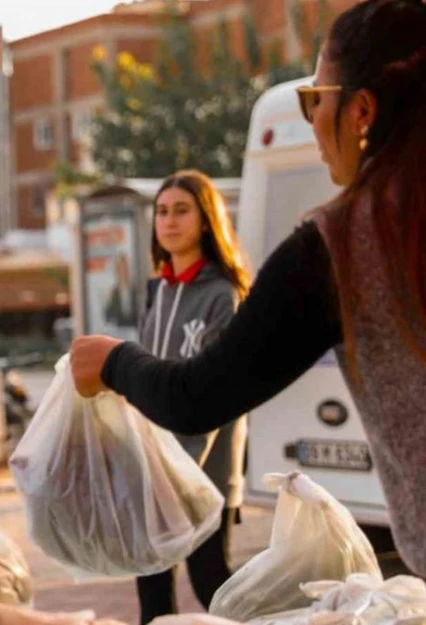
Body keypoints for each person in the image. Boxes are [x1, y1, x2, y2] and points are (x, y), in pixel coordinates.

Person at [70, 0, 426, 577]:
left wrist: (112, 361)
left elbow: (198, 398)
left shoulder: (344, 247)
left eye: (315, 99)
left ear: (361, 111)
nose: (312, 121)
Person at [133, 171, 251, 624]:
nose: (169, 221)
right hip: (153, 471)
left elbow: (217, 393)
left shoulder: (224, 295)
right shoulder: (155, 291)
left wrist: (179, 474)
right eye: (162, 211)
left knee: (214, 588)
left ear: (206, 220)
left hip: (202, 474)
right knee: (152, 590)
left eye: (182, 210)